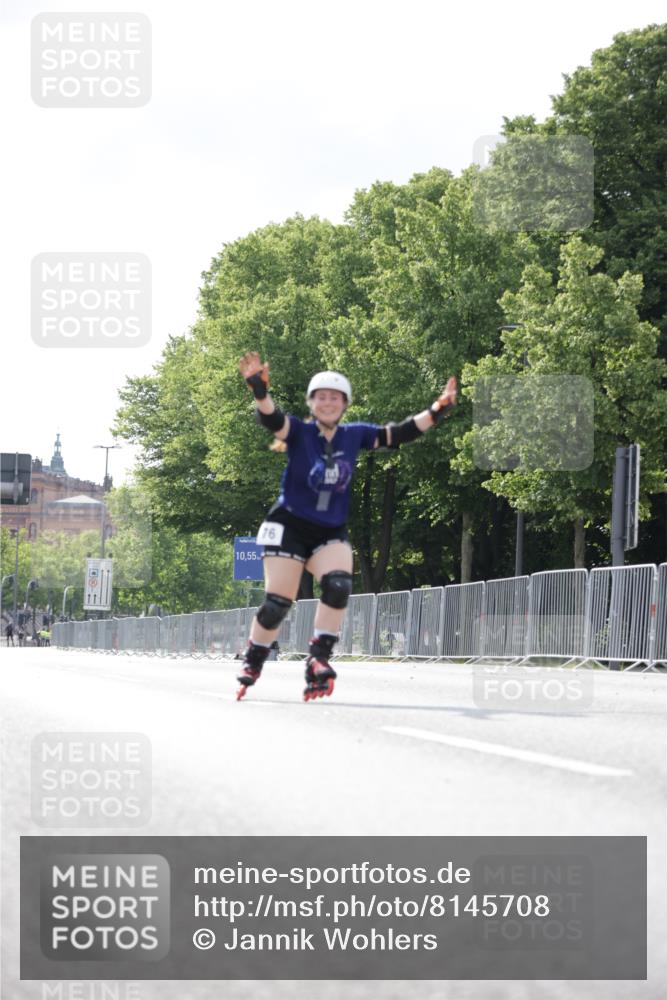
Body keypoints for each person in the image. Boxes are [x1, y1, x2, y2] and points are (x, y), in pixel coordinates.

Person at [236, 351, 457, 701]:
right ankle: (254, 657)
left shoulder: (354, 435)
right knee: (278, 603)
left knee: (338, 585)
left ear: (345, 404)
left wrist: (435, 411)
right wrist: (260, 392)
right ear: (311, 403)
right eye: (321, 397)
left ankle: (319, 659)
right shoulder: (300, 432)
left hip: (328, 529)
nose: (327, 402)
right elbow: (272, 419)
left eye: (334, 397)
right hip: (289, 525)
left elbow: (397, 434)